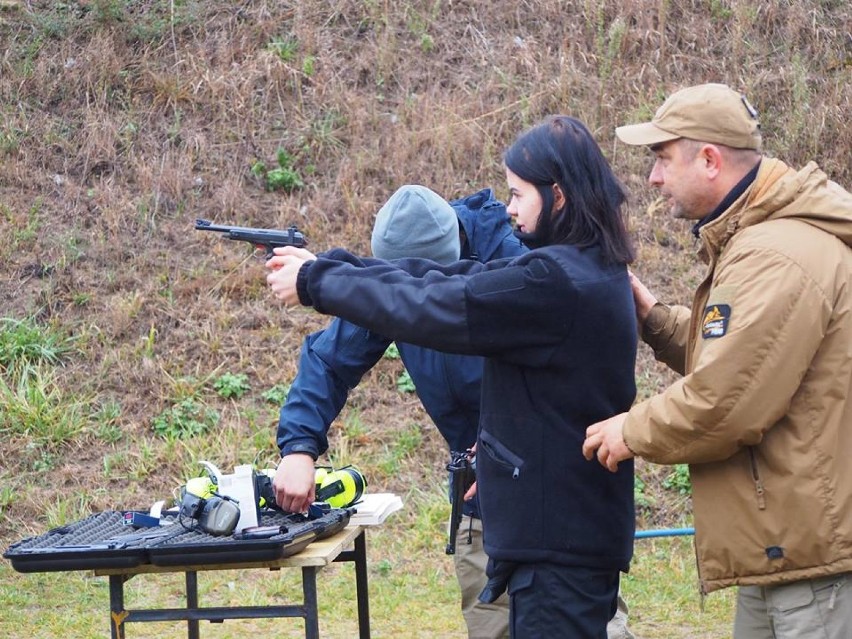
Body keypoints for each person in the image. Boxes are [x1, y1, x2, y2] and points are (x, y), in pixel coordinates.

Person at [267, 115, 638, 638]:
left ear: (558, 196)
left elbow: (438, 299)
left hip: (554, 529)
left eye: (519, 193)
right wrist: (324, 271)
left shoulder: (550, 280)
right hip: (530, 520)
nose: (509, 207)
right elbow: (437, 281)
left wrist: (316, 279)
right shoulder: (571, 269)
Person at [582, 83, 852, 638]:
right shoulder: (759, 240)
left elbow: (726, 402)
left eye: (661, 158)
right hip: (783, 546)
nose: (653, 178)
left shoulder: (776, 256)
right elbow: (742, 354)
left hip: (815, 557)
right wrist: (655, 318)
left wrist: (629, 430)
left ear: (709, 160)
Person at [273, 183, 526, 639]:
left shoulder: (520, 267)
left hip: (546, 486)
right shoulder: (395, 283)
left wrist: (504, 444)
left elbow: (561, 379)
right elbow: (329, 360)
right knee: (493, 626)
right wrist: (298, 447)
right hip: (479, 499)